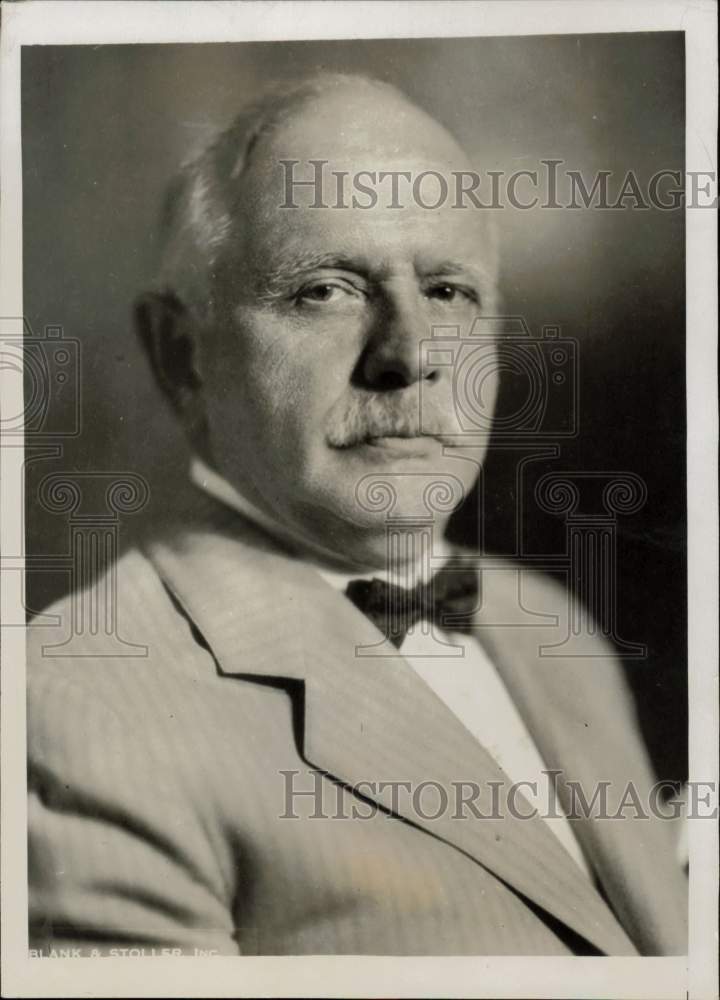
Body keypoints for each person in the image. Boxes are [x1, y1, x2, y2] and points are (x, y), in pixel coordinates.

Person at [27, 73, 687, 957]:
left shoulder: (548, 626)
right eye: (325, 290)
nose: (409, 354)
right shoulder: (74, 704)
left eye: (447, 292)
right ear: (182, 355)